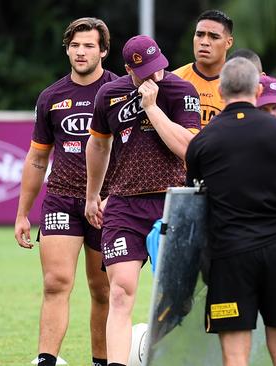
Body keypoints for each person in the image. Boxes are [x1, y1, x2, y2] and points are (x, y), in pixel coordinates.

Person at [185, 57, 276, 366]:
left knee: (235, 358)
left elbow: (196, 201)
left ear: (219, 91)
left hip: (230, 257)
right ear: (257, 90)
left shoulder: (201, 141)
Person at [85, 35, 201, 365]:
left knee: (180, 299)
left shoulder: (181, 92)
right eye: (146, 71)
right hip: (123, 205)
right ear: (128, 70)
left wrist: (151, 107)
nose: (155, 76)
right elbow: (98, 146)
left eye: (158, 67)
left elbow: (188, 149)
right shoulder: (108, 95)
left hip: (173, 204)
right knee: (120, 292)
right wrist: (94, 195)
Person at [14, 17, 116, 366]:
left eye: (89, 45)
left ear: (103, 50)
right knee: (56, 283)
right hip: (61, 198)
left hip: (106, 203)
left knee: (102, 290)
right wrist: (21, 213)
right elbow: (38, 158)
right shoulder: (51, 97)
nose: (81, 51)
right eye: (75, 45)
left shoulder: (119, 90)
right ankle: (46, 360)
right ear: (67, 49)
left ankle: (101, 361)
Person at [174, 9, 233, 126]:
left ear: (228, 43)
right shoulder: (174, 80)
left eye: (214, 37)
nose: (204, 42)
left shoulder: (240, 84)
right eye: (199, 35)